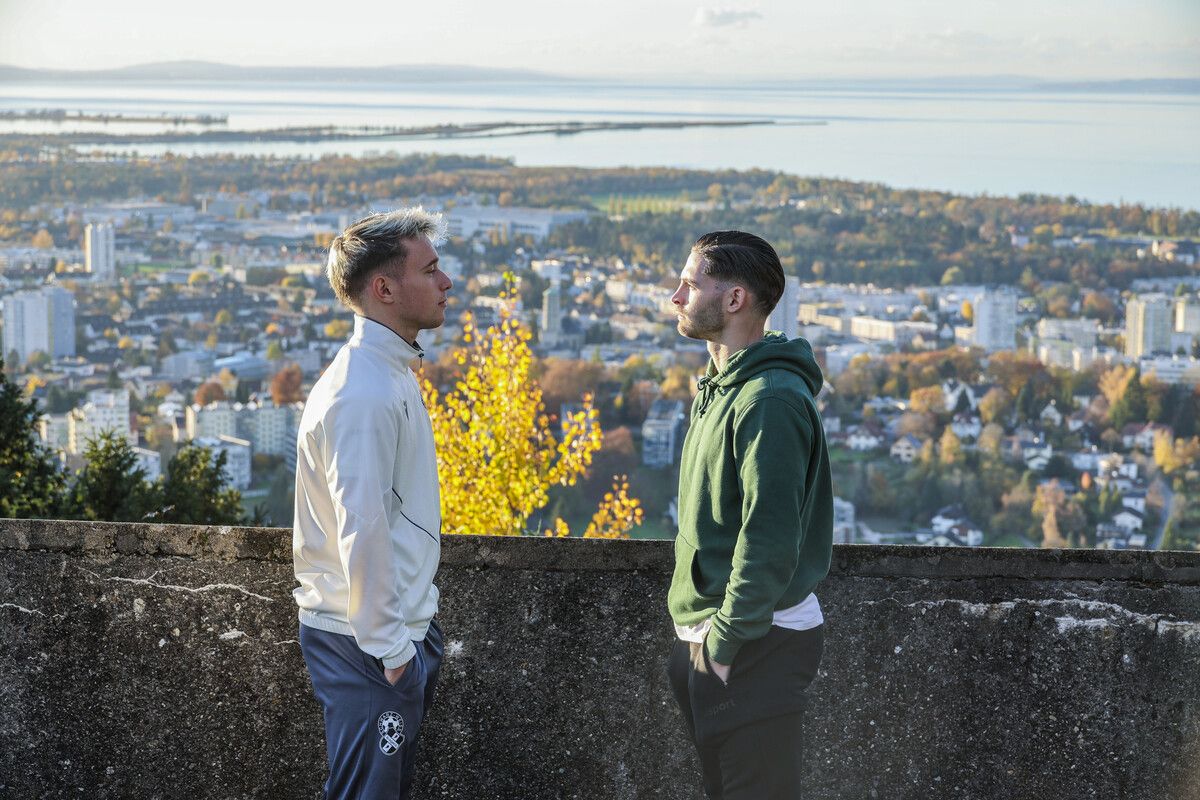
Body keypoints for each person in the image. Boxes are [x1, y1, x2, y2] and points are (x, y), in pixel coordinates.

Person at [666, 230, 834, 800]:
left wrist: (723, 645)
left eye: (690, 284)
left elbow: (768, 541)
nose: (676, 296)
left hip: (755, 642)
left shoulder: (769, 400)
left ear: (734, 299)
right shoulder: (720, 386)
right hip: (712, 635)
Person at [293, 207, 452, 799]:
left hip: (386, 637)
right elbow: (362, 528)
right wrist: (391, 653)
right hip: (365, 645)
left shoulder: (387, 374)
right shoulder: (362, 392)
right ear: (384, 288)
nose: (447, 282)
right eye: (431, 269)